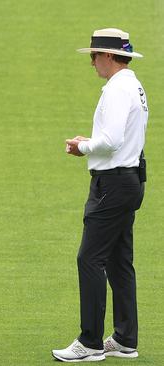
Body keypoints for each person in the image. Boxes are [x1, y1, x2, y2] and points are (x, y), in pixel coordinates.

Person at [52, 28, 148, 363]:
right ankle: (124, 338)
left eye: (94, 55)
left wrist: (83, 146)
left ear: (108, 56)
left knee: (89, 259)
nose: (92, 62)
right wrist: (92, 143)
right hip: (129, 181)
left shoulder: (118, 89)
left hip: (113, 185)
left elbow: (112, 140)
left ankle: (90, 342)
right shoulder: (132, 85)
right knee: (120, 262)